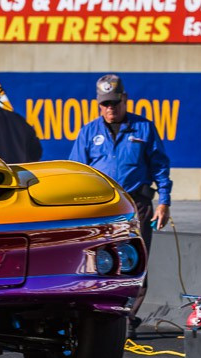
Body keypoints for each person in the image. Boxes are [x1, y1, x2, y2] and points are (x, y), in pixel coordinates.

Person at [69, 74, 172, 338]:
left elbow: (160, 167)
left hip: (137, 204)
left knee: (135, 260)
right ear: (98, 104)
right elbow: (77, 172)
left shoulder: (144, 128)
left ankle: (128, 317)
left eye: (114, 102)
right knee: (97, 260)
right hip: (100, 207)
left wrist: (164, 202)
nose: (110, 108)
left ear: (124, 99)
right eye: (105, 104)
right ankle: (98, 314)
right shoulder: (88, 132)